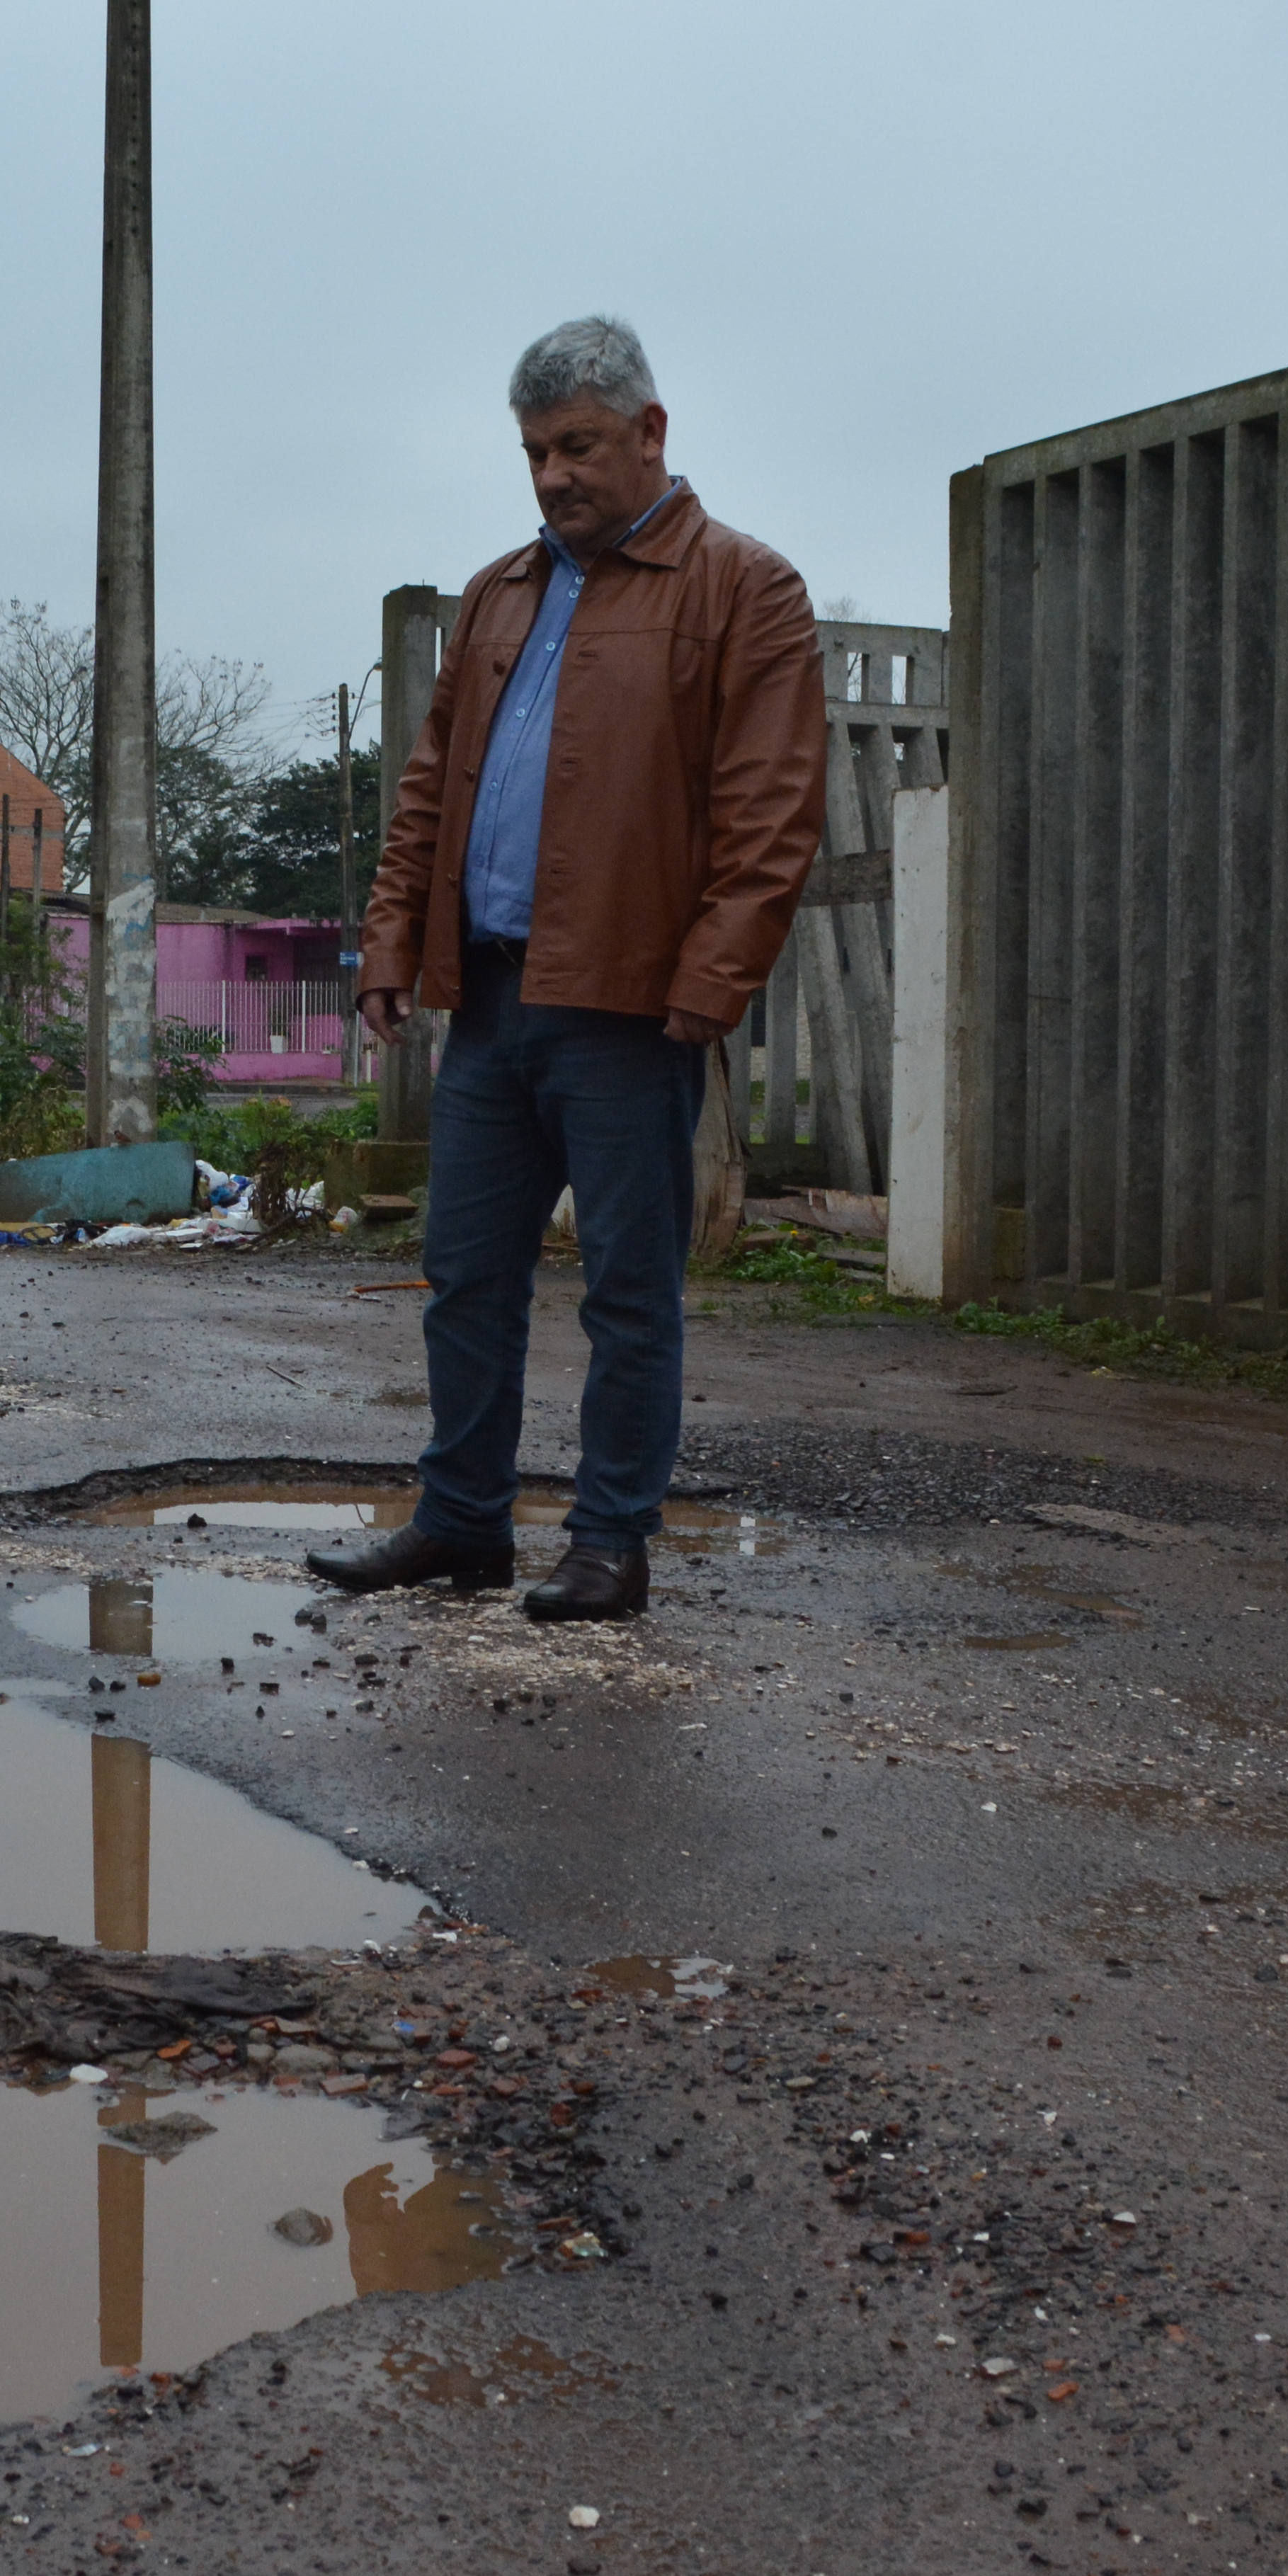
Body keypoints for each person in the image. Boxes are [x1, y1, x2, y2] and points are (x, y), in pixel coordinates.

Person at [309, 316, 825, 1622]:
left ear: (651, 431)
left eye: (579, 446)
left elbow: (771, 814)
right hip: (489, 1004)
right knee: (465, 1281)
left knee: (628, 1295)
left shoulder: (743, 587)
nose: (553, 476)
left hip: (630, 1012)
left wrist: (707, 986)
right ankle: (462, 1525)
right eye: (536, 452)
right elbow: (428, 790)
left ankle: (608, 1544)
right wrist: (392, 940)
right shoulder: (499, 594)